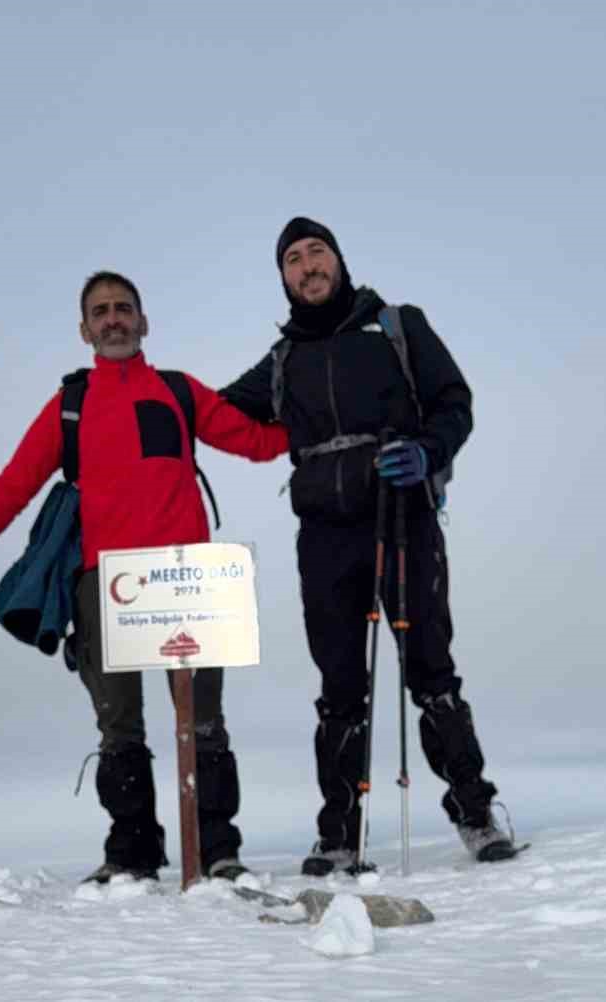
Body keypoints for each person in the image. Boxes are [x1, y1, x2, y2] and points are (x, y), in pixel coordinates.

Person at [0, 270, 288, 884]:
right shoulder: (73, 403)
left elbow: (255, 442)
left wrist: (331, 425)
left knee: (203, 723)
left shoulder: (178, 391)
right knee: (119, 724)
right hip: (106, 583)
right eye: (100, 311)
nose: (113, 318)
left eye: (123, 308)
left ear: (144, 322)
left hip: (188, 577)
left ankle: (219, 851)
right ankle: (133, 854)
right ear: (85, 329)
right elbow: (13, 486)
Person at [220, 217, 517, 873]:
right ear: (284, 279)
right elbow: (214, 412)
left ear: (338, 261)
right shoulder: (283, 360)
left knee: (430, 668)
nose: (307, 265)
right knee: (339, 686)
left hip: (401, 516)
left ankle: (475, 812)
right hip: (324, 534)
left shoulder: (396, 325)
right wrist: (146, 404)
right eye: (293, 259)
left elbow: (453, 400)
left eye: (316, 251)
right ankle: (339, 836)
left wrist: (428, 450)